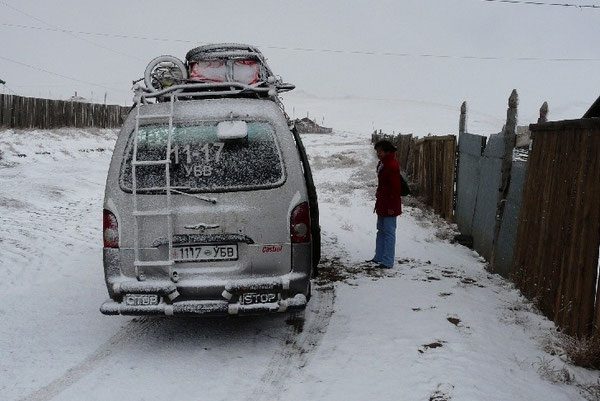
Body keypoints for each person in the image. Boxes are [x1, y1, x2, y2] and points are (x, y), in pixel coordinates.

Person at [369, 140, 402, 268]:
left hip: (390, 205)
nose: (378, 154)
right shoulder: (383, 163)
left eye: (380, 151)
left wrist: (390, 207)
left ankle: (388, 261)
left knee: (389, 232)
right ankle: (379, 257)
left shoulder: (391, 165)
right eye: (377, 151)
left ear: (387, 151)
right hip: (383, 203)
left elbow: (395, 188)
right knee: (381, 230)